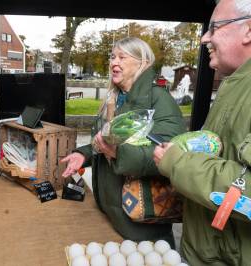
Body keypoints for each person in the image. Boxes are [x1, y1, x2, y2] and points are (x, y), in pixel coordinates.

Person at [61, 37, 186, 245]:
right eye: (112, 57)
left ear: (142, 62)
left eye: (121, 57)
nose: (113, 63)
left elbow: (169, 154)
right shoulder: (114, 97)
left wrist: (119, 154)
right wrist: (84, 154)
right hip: (112, 212)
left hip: (142, 225)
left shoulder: (159, 99)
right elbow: (104, 142)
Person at [153, 0, 251, 264]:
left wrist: (177, 163)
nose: (204, 38)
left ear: (249, 31)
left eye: (215, 27)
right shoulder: (236, 83)